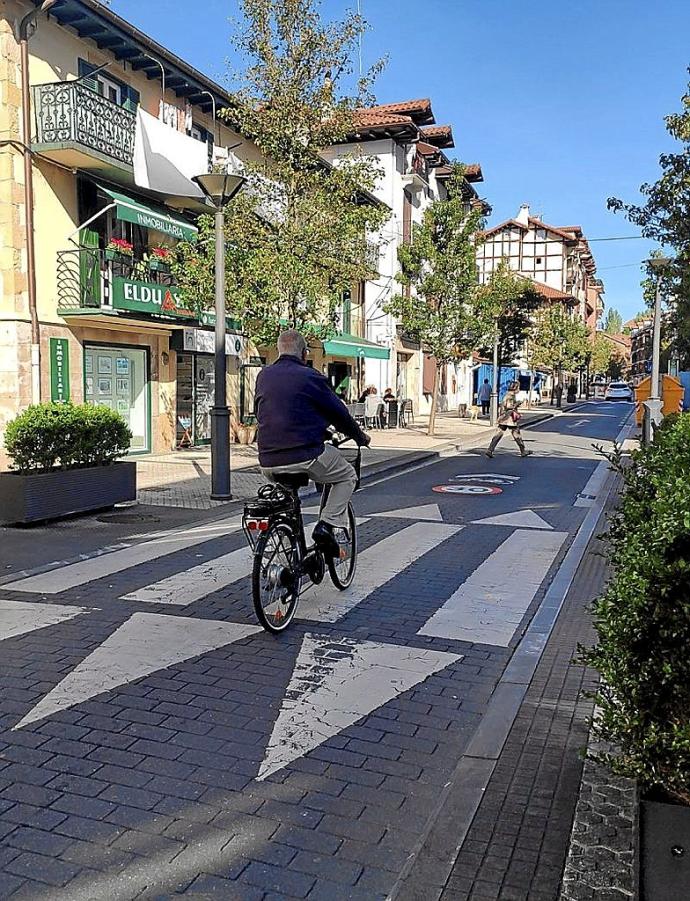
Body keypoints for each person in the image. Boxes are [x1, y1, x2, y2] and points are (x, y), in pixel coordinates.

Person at [255, 330, 370, 555]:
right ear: (304, 353)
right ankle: (326, 524)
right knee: (347, 476)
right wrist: (359, 436)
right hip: (305, 455)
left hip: (267, 461)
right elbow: (339, 414)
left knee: (286, 504)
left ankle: (288, 556)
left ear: (279, 349)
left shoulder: (263, 376)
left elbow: (266, 411)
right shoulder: (311, 376)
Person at [485, 381, 532, 458]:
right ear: (515, 388)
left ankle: (490, 450)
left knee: (498, 434)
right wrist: (517, 403)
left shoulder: (507, 394)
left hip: (503, 417)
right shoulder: (510, 396)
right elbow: (509, 406)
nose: (519, 390)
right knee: (517, 435)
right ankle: (523, 451)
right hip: (509, 418)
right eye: (518, 388)